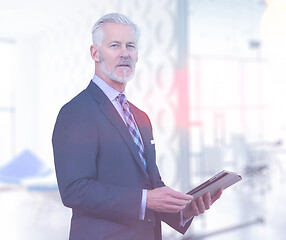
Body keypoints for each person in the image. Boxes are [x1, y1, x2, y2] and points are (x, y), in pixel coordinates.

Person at [52, 13, 222, 240]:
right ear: (95, 53)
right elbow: (75, 190)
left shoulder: (140, 117)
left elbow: (152, 186)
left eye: (130, 46)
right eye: (115, 45)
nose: (125, 53)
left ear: (137, 54)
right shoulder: (77, 112)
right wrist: (144, 199)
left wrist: (183, 210)